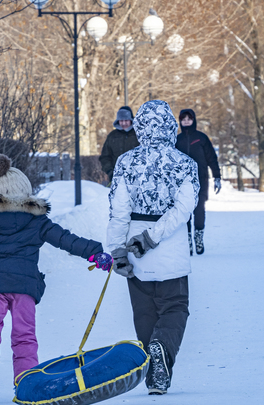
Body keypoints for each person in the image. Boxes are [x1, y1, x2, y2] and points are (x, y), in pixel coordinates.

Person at [0, 154, 112, 404]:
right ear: (23, 190)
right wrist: (95, 253)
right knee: (24, 335)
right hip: (25, 288)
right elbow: (66, 239)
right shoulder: (36, 221)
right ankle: (27, 382)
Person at [106, 100, 200, 396]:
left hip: (134, 246)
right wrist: (154, 235)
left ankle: (154, 371)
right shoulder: (185, 164)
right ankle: (162, 355)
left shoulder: (125, 162)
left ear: (140, 127)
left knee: (144, 311)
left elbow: (118, 211)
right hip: (169, 244)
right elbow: (184, 209)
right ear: (171, 126)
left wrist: (117, 250)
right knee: (175, 308)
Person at [175, 108, 221, 255]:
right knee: (185, 212)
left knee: (199, 211)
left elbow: (211, 158)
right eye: (183, 119)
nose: (186, 121)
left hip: (201, 180)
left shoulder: (201, 138)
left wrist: (217, 176)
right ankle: (187, 240)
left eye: (189, 118)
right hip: (182, 182)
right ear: (180, 121)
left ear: (193, 120)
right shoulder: (177, 140)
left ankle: (198, 237)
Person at [99, 106, 139, 182]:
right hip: (117, 177)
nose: (124, 123)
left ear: (131, 120)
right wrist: (110, 171)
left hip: (137, 176)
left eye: (126, 120)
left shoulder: (138, 135)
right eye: (121, 120)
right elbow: (105, 157)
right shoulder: (112, 136)